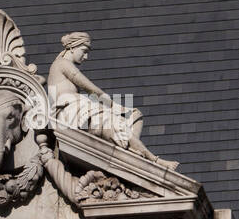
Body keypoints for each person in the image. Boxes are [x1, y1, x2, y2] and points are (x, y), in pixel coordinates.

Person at [48, 32, 177, 169]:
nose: (86, 57)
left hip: (79, 109)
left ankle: (132, 151)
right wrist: (113, 106)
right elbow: (91, 89)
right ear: (73, 47)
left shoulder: (63, 65)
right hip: (70, 113)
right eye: (84, 51)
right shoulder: (61, 64)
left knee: (135, 115)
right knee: (114, 121)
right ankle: (152, 160)